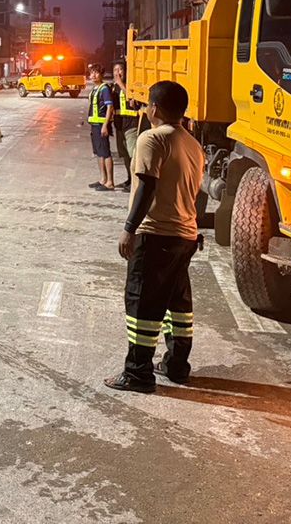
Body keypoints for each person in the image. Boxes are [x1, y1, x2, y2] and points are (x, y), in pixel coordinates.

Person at [105, 79, 205, 394]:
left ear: (154, 108)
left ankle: (137, 373)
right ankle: (177, 365)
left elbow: (147, 186)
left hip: (156, 233)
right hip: (185, 234)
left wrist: (129, 228)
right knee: (177, 303)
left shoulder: (152, 139)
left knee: (142, 303)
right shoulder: (192, 143)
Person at [112, 62, 141, 192]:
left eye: (121, 70)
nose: (118, 72)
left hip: (131, 124)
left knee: (133, 154)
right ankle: (129, 178)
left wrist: (121, 84)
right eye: (115, 70)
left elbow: (133, 100)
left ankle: (136, 183)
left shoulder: (130, 85)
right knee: (124, 155)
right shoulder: (113, 87)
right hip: (119, 126)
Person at [86, 66, 116, 192]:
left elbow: (109, 108)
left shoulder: (104, 89)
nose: (93, 75)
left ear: (101, 74)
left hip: (101, 125)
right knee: (99, 153)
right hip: (95, 125)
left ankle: (110, 182)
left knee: (106, 153)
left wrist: (105, 125)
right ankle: (103, 179)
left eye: (96, 73)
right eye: (91, 73)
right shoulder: (95, 89)